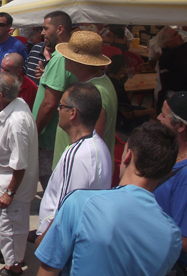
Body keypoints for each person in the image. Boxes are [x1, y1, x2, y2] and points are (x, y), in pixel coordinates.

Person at [36, 122, 182, 276]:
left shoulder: (80, 203)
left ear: (127, 157)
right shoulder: (173, 237)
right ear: (167, 172)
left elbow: (47, 270)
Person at [36, 82, 112, 239]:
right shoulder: (98, 146)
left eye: (61, 106)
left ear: (73, 113)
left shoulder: (77, 155)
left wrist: (44, 242)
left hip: (61, 246)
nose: (58, 109)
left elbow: (64, 213)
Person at [0, 73, 38, 276]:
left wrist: (9, 193)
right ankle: (12, 255)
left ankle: (14, 266)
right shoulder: (13, 105)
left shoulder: (16, 122)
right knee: (11, 226)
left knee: (11, 227)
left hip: (13, 187)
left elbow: (19, 164)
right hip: (6, 182)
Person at [53, 31, 117, 170]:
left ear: (81, 62)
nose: (64, 57)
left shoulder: (95, 93)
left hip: (77, 174)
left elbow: (93, 145)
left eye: (69, 56)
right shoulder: (96, 83)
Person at [31, 11, 77, 192]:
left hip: (48, 139)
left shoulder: (59, 58)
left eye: (45, 28)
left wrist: (34, 133)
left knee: (52, 189)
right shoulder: (67, 55)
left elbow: (49, 103)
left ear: (60, 29)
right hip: (54, 138)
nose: (42, 33)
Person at [155, 92, 187, 274]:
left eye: (163, 115)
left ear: (180, 126)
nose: (158, 118)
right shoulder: (170, 155)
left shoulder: (185, 177)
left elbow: (183, 239)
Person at [108, 55, 156, 133]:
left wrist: (126, 76)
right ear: (122, 68)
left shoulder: (109, 80)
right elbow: (128, 115)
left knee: (152, 112)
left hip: (117, 115)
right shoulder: (118, 91)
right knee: (155, 121)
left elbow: (119, 83)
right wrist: (147, 111)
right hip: (122, 121)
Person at [156, 26, 187, 115]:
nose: (180, 36)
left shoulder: (171, 54)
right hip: (175, 101)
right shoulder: (172, 54)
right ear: (168, 43)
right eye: (175, 35)